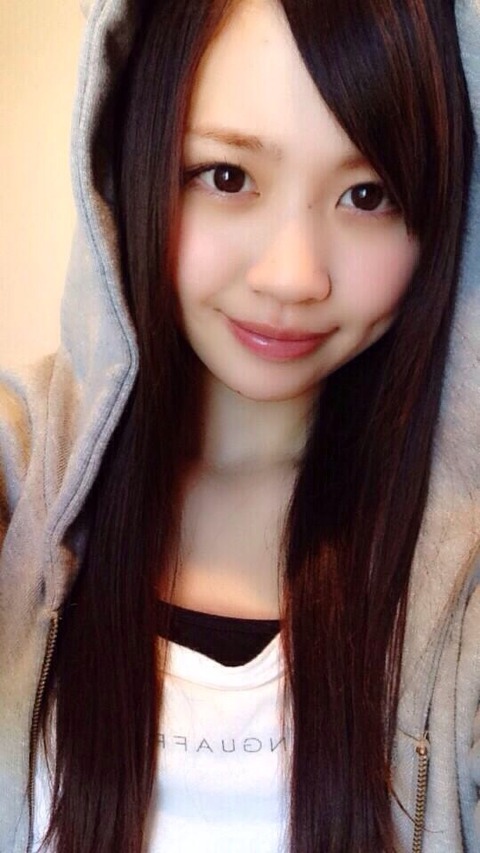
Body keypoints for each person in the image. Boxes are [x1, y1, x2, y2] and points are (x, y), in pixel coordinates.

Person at [0, 0, 478, 850]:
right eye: (227, 177)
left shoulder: (463, 566)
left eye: (367, 194)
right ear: (132, 160)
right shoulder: (24, 470)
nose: (293, 276)